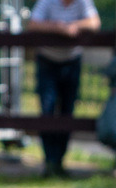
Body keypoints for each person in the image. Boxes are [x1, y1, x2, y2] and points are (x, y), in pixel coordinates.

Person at [26, 0, 101, 178]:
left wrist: (73, 25)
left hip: (71, 63)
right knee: (47, 110)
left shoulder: (82, 3)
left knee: (67, 113)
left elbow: (95, 22)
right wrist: (58, 28)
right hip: (47, 62)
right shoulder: (47, 2)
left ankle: (59, 161)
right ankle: (50, 161)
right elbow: (33, 24)